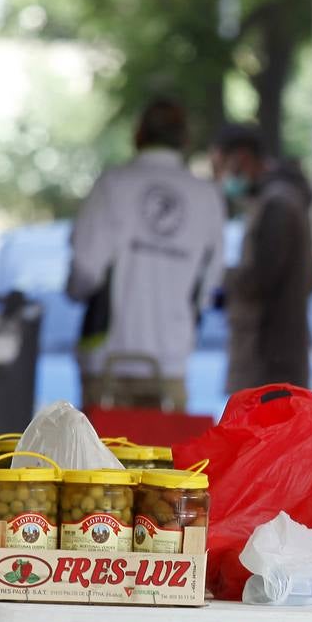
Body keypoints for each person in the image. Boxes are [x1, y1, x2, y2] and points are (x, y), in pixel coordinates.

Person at [67, 98, 224, 410]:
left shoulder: (113, 185)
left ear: (137, 135)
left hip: (107, 360)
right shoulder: (207, 197)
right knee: (165, 457)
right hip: (170, 363)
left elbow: (83, 274)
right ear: (185, 140)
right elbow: (210, 285)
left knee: (100, 458)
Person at [218, 125, 312, 392]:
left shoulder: (277, 205)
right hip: (278, 351)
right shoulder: (282, 199)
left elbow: (262, 278)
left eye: (224, 165)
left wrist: (224, 278)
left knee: (265, 431)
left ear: (242, 158)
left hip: (268, 355)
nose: (225, 176)